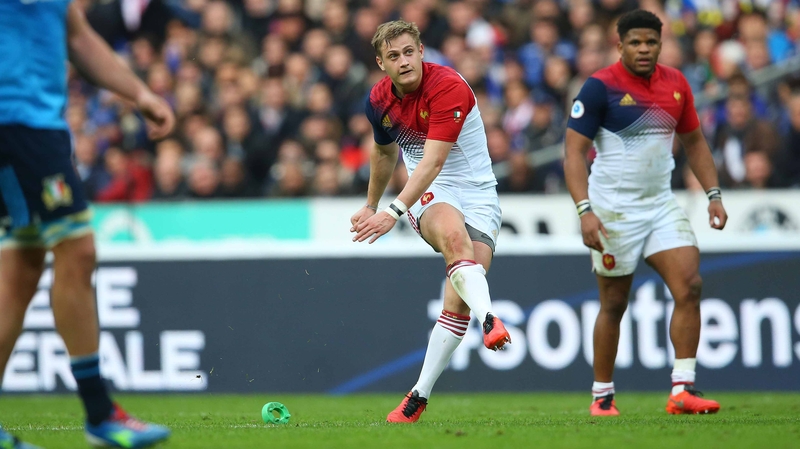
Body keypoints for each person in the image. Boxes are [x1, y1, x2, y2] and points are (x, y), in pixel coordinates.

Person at [0, 1, 175, 448]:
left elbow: (76, 37)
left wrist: (139, 93)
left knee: (20, 270)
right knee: (77, 249)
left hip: (38, 124)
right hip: (18, 125)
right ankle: (100, 413)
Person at [563, 10, 728, 417]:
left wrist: (714, 194)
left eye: (650, 42)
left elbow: (695, 142)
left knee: (689, 286)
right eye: (635, 42)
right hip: (612, 211)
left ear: (660, 43)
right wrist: (585, 210)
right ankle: (602, 396)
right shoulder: (600, 88)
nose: (643, 49)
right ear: (620, 45)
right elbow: (572, 153)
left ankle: (682, 389)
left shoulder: (676, 84)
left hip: (659, 204)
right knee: (614, 303)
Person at [350, 20, 510, 424]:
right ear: (380, 63)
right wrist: (372, 205)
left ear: (421, 51)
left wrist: (391, 212)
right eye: (393, 56)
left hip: (478, 193)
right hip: (430, 192)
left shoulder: (447, 87)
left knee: (457, 300)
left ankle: (417, 398)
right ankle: (491, 320)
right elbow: (386, 155)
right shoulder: (379, 101)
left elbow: (437, 158)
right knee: (455, 241)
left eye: (408, 52)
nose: (403, 62)